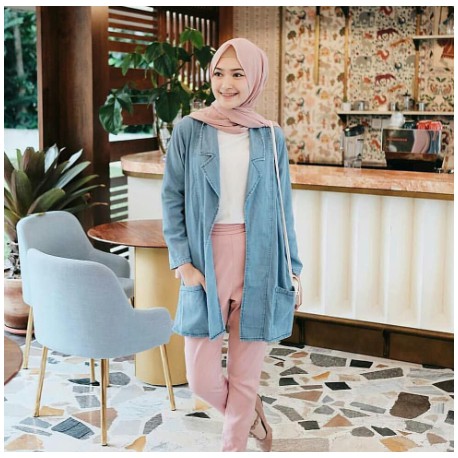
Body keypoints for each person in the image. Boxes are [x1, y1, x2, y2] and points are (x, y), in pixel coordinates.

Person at [161, 37, 303, 452]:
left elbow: (283, 206)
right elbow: (171, 198)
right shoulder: (189, 130)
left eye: (238, 74)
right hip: (206, 259)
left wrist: (293, 268)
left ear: (254, 78)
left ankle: (234, 445)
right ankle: (249, 415)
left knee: (245, 375)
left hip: (261, 257)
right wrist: (182, 262)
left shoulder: (270, 135)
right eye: (219, 73)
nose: (226, 84)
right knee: (200, 379)